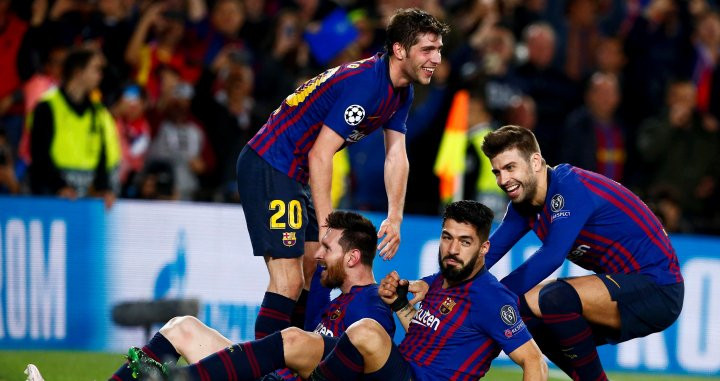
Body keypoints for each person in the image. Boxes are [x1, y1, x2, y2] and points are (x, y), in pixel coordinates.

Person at [119, 200, 547, 381]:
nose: (452, 249)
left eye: (465, 242)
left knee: (354, 333)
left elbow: (532, 361)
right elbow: (420, 324)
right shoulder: (432, 284)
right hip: (388, 373)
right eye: (448, 238)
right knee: (183, 327)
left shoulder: (494, 298)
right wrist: (400, 296)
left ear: (485, 248)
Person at [235, 8, 449, 340]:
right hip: (271, 163)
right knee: (288, 280)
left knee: (310, 267)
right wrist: (326, 225)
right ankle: (265, 370)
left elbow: (396, 155)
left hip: (292, 171)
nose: (436, 58)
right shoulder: (367, 86)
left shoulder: (400, 91)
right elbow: (320, 153)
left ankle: (294, 361)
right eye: (427, 49)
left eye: (438, 49)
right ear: (399, 50)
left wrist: (395, 216)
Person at [413, 125, 684, 381]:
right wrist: (432, 284)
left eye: (510, 168)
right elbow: (487, 253)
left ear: (534, 162)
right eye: (497, 172)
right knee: (524, 319)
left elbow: (552, 255)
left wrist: (492, 299)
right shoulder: (524, 204)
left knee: (551, 299)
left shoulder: (569, 187)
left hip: (658, 288)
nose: (503, 180)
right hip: (624, 291)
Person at [82, 210, 393, 381]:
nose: (319, 255)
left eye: (328, 249)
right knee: (181, 326)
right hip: (269, 376)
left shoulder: (374, 306)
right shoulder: (330, 297)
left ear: (352, 258)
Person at [28, 47, 121, 209]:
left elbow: (101, 156)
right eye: (96, 70)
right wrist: (59, 186)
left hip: (83, 197)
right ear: (78, 72)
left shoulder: (97, 111)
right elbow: (39, 154)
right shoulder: (48, 106)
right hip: (52, 196)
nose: (100, 76)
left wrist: (104, 188)